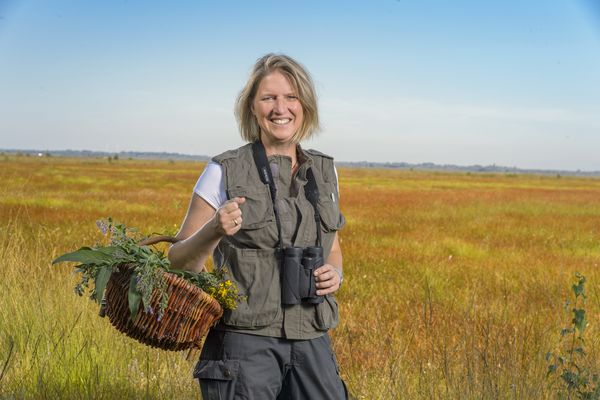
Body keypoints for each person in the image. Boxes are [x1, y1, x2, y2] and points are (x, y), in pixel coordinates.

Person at [168, 53, 348, 399]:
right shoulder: (223, 171)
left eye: (291, 97)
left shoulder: (326, 173)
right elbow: (177, 264)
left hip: (312, 337)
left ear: (305, 106)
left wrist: (335, 274)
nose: (281, 108)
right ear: (252, 108)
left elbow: (334, 249)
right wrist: (213, 231)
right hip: (243, 343)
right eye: (269, 98)